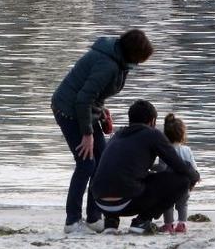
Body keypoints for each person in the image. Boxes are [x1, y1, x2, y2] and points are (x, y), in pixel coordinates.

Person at [51, 29, 154, 234]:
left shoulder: (118, 59)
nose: (140, 64)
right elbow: (83, 99)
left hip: (85, 109)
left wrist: (102, 111)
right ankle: (72, 221)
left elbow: (94, 94)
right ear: (132, 54)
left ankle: (93, 217)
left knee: (102, 161)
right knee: (86, 164)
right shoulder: (107, 64)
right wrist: (87, 134)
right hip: (69, 110)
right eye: (140, 59)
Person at [91, 100, 200, 235]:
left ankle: (111, 222)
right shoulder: (152, 134)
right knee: (183, 180)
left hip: (101, 202)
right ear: (152, 121)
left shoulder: (116, 135)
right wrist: (195, 176)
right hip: (127, 202)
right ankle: (142, 220)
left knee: (121, 175)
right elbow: (178, 165)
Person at [158, 113, 197, 234]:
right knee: (183, 204)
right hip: (184, 184)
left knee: (167, 205)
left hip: (169, 185)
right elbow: (193, 168)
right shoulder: (187, 150)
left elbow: (162, 168)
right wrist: (192, 183)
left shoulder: (164, 150)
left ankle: (169, 225)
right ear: (182, 134)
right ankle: (182, 224)